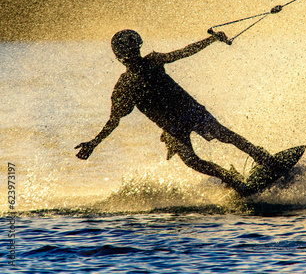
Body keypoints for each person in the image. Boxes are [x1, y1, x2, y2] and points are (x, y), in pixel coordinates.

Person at [75, 29, 274, 194]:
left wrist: (212, 39)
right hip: (173, 129)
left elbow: (184, 52)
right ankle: (232, 179)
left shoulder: (152, 62)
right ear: (122, 56)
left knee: (224, 135)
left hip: (192, 111)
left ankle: (261, 157)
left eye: (135, 50)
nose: (134, 55)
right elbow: (114, 120)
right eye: (130, 52)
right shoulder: (124, 87)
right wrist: (94, 142)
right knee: (192, 161)